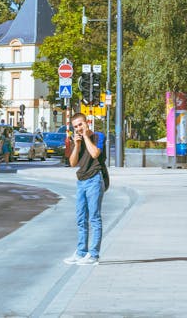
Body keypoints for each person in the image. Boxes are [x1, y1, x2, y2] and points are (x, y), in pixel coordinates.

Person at [62, 111, 105, 266]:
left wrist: (86, 137)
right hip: (81, 181)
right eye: (76, 126)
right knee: (81, 219)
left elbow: (95, 154)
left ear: (87, 123)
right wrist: (77, 144)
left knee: (94, 218)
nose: (79, 128)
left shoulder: (98, 136)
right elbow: (73, 163)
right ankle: (81, 253)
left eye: (81, 124)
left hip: (94, 179)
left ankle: (93, 255)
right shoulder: (77, 140)